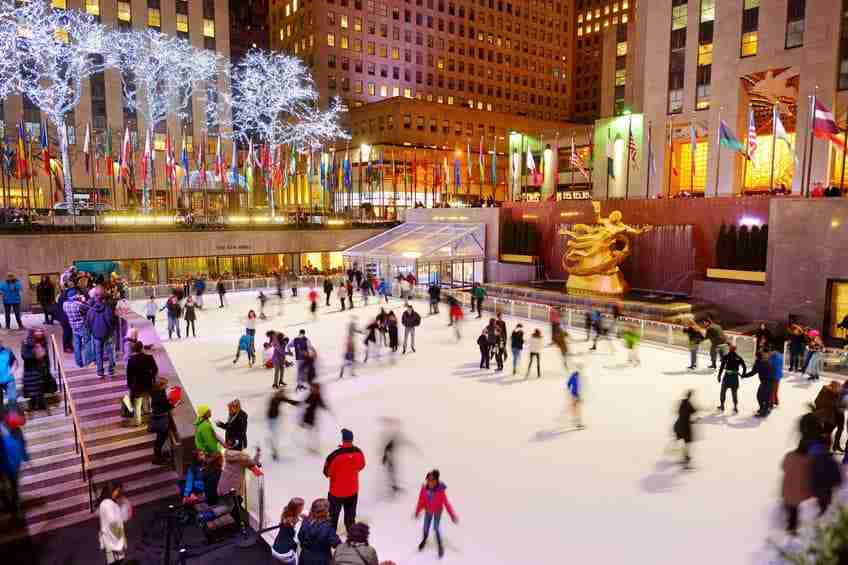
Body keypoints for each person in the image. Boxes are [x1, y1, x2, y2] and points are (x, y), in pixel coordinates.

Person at [324, 428, 366, 533]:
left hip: (336, 493)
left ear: (342, 439)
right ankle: (352, 537)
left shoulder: (334, 456)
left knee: (332, 518)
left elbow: (327, 473)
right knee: (350, 517)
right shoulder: (358, 452)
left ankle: (331, 538)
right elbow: (362, 466)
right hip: (352, 491)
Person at [415, 469, 458, 559]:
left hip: (437, 511)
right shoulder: (424, 489)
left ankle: (440, 545)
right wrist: (417, 511)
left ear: (436, 481)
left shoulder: (440, 491)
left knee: (436, 527)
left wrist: (452, 515)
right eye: (428, 480)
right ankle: (424, 539)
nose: (430, 482)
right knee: (426, 526)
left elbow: (446, 503)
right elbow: (420, 501)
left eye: (432, 480)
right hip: (428, 511)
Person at [0, 409, 28, 516]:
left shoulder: (17, 431)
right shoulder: (3, 430)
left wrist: (25, 457)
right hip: (4, 464)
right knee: (5, 487)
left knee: (13, 486)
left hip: (13, 465)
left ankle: (14, 508)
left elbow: (22, 443)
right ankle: (9, 506)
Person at [782, 439, 812, 535]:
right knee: (794, 509)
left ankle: (789, 525)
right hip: (797, 490)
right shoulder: (806, 460)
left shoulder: (789, 455)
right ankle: (792, 529)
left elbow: (783, 466)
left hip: (786, 486)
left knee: (790, 507)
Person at [297, 498, 341, 565]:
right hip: (321, 561)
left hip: (304, 559)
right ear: (325, 511)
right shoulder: (328, 527)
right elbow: (337, 544)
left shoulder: (305, 522)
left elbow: (300, 537)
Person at [97, 481, 130, 565]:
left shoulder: (105, 503)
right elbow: (113, 525)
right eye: (117, 490)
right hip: (113, 538)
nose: (118, 493)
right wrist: (121, 541)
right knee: (116, 559)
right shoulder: (108, 505)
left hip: (109, 536)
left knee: (113, 559)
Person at [126, 341, 157, 426]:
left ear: (134, 350)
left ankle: (137, 421)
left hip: (136, 386)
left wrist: (129, 385)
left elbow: (129, 374)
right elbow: (155, 370)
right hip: (147, 383)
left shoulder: (131, 360)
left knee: (137, 404)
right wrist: (151, 376)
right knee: (146, 400)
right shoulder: (149, 357)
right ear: (142, 348)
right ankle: (148, 418)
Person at [21, 329, 53, 412]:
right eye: (37, 331)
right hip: (31, 370)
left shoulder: (43, 342)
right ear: (33, 333)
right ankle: (34, 404)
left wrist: (47, 367)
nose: (40, 333)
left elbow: (46, 356)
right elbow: (24, 355)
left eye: (41, 331)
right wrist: (36, 354)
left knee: (40, 387)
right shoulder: (26, 342)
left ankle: (41, 404)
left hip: (41, 369)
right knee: (33, 388)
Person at [267, 388, 300, 461]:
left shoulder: (278, 398)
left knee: (275, 434)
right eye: (282, 393)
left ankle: (274, 449)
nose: (283, 394)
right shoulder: (276, 398)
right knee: (274, 434)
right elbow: (290, 401)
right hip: (272, 419)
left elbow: (290, 401)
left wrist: (299, 403)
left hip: (274, 418)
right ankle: (274, 450)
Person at [87, 297, 116, 378]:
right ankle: (111, 371)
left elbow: (88, 324)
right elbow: (112, 321)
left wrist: (92, 332)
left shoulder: (90, 311)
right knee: (110, 353)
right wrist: (111, 330)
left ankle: (100, 372)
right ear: (103, 300)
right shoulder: (108, 309)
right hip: (108, 334)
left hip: (96, 335)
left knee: (98, 353)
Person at [272, 497, 306, 563]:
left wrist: (299, 516)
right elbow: (297, 539)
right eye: (302, 507)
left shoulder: (285, 513)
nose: (303, 509)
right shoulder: (295, 523)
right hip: (284, 554)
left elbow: (292, 518)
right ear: (297, 509)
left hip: (275, 549)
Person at [716, 344, 747, 414]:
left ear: (730, 349)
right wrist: (743, 375)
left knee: (723, 391)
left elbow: (721, 367)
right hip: (735, 377)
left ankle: (722, 406)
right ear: (735, 349)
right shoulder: (738, 357)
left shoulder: (726, 356)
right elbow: (744, 367)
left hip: (727, 376)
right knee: (734, 393)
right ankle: (735, 407)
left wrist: (719, 376)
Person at [64, 291, 92, 368]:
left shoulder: (65, 304)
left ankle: (79, 362)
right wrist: (83, 301)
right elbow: (89, 309)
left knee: (77, 344)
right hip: (82, 325)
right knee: (87, 343)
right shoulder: (78, 305)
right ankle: (88, 361)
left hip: (73, 326)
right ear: (75, 296)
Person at [744, 349, 774, 418]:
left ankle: (764, 411)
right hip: (769, 381)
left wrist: (744, 375)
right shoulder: (766, 361)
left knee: (760, 396)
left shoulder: (759, 362)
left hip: (766, 382)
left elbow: (753, 372)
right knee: (764, 396)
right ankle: (764, 409)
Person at [149, 377, 172, 465]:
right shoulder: (159, 395)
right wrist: (173, 405)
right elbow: (165, 406)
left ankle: (158, 456)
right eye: (165, 384)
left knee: (160, 439)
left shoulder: (156, 392)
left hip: (159, 419)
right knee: (160, 439)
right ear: (160, 386)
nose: (166, 386)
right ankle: (157, 458)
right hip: (160, 420)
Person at [301, 382, 329, 451]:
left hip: (313, 416)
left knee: (314, 432)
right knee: (312, 432)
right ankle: (311, 446)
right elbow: (304, 403)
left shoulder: (317, 395)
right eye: (316, 388)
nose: (317, 390)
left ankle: (313, 446)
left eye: (317, 389)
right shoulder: (311, 395)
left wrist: (326, 408)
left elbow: (321, 404)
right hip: (309, 416)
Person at [673, 390, 697, 470]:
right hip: (685, 427)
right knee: (686, 444)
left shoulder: (682, 403)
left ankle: (685, 457)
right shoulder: (688, 404)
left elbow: (681, 414)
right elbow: (693, 411)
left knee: (684, 443)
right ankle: (685, 461)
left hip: (679, 426)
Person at [566, 364, 585, 429]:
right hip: (576, 395)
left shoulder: (573, 375)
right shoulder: (578, 377)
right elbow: (579, 387)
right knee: (577, 409)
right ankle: (578, 423)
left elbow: (568, 383)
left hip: (573, 395)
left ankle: (576, 421)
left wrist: (569, 390)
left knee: (575, 409)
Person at [0, 337, 16, 409]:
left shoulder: (8, 350)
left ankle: (13, 417)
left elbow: (14, 361)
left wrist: (12, 370)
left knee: (12, 400)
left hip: (9, 379)